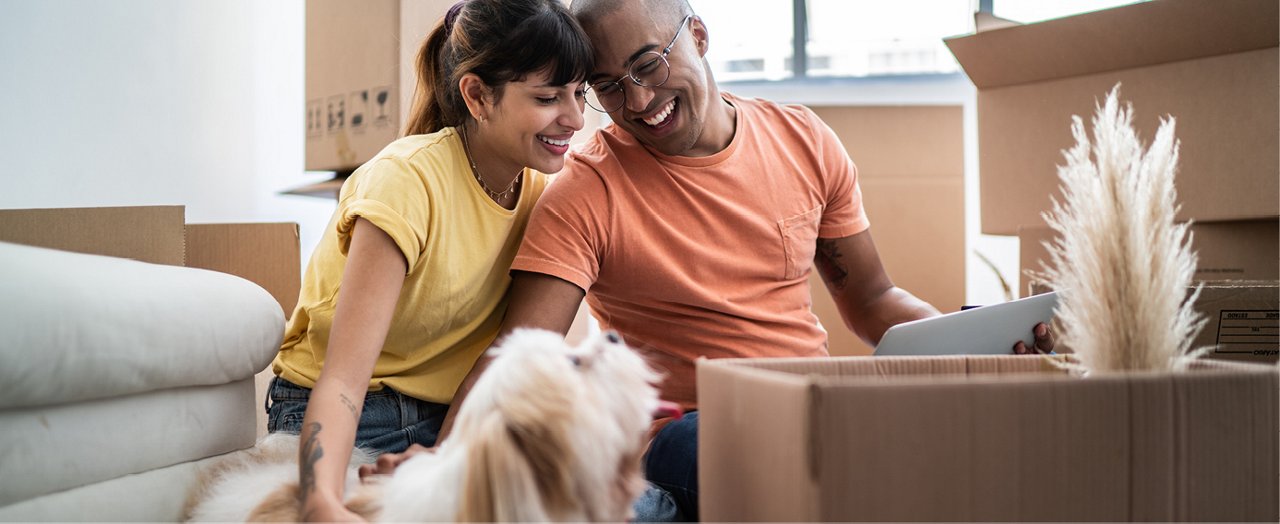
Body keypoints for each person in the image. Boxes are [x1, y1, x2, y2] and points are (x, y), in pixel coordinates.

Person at [365, 0, 1055, 520]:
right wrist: (445, 460)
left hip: (816, 407)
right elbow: (520, 350)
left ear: (697, 36)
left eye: (647, 66)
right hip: (685, 434)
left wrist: (973, 353)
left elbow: (874, 301)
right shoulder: (588, 189)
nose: (637, 102)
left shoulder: (804, 139)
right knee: (714, 445)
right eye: (607, 87)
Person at [264, 0, 593, 520]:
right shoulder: (406, 181)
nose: (574, 118)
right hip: (351, 410)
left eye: (580, 93)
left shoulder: (538, 192)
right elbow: (343, 380)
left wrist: (447, 451)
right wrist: (321, 499)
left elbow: (506, 360)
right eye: (548, 97)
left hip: (448, 416)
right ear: (478, 95)